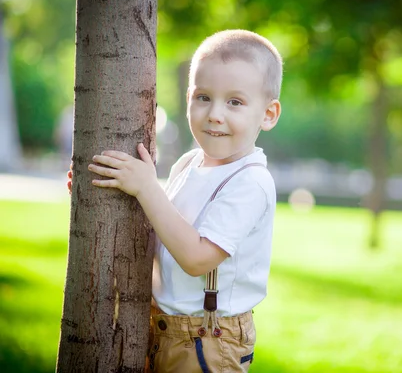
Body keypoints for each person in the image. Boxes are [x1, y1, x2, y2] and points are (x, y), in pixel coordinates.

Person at [68, 29, 282, 372]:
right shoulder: (188, 164)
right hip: (162, 327)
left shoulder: (251, 181)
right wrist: (110, 191)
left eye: (235, 102)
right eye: (203, 97)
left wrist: (148, 189)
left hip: (209, 342)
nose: (214, 114)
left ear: (269, 114)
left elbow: (197, 258)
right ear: (188, 98)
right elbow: (163, 231)